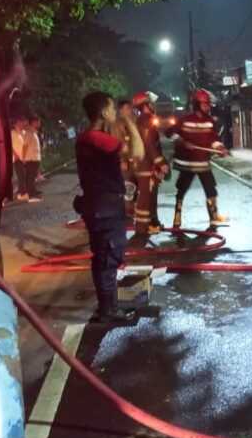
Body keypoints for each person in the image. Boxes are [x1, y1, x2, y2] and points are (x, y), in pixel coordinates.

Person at [74, 91, 142, 326]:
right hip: (105, 207)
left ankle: (107, 307)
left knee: (103, 257)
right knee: (108, 258)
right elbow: (137, 152)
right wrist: (130, 124)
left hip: (99, 205)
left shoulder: (89, 139)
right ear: (104, 112)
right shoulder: (97, 139)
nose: (115, 112)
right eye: (112, 109)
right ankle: (107, 311)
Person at [166, 88, 229, 229]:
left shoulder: (209, 121)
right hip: (187, 163)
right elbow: (169, 132)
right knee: (182, 189)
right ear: (197, 104)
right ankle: (177, 216)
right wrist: (183, 142)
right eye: (205, 104)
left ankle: (214, 217)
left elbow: (212, 139)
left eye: (208, 104)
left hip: (202, 162)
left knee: (210, 188)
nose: (208, 107)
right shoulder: (185, 120)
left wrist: (219, 148)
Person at [131, 91, 170, 238]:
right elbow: (149, 144)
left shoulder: (142, 119)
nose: (153, 105)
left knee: (151, 195)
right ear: (146, 105)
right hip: (146, 166)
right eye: (151, 103)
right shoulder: (147, 120)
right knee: (146, 197)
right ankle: (142, 227)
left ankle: (153, 223)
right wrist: (160, 162)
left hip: (146, 165)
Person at [24, 116, 43, 201]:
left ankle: (33, 191)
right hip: (30, 159)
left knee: (33, 176)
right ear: (33, 122)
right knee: (30, 177)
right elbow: (25, 146)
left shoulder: (34, 132)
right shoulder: (28, 133)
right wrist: (23, 157)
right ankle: (31, 195)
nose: (39, 124)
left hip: (35, 158)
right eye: (38, 122)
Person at [11, 118, 28, 201]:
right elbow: (10, 146)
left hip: (23, 158)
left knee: (23, 175)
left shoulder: (23, 133)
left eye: (23, 124)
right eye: (20, 123)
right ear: (16, 124)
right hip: (16, 158)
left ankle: (21, 192)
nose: (22, 125)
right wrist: (16, 155)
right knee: (20, 175)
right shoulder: (13, 133)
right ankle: (22, 193)